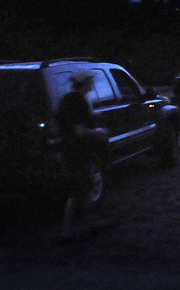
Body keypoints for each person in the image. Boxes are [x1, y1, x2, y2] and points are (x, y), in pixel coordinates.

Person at [56, 69, 101, 241]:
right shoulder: (78, 102)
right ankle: (66, 231)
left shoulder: (66, 100)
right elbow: (80, 132)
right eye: (91, 81)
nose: (93, 84)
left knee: (83, 189)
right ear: (84, 83)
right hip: (78, 153)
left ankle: (90, 223)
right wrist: (98, 132)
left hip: (69, 151)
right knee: (77, 191)